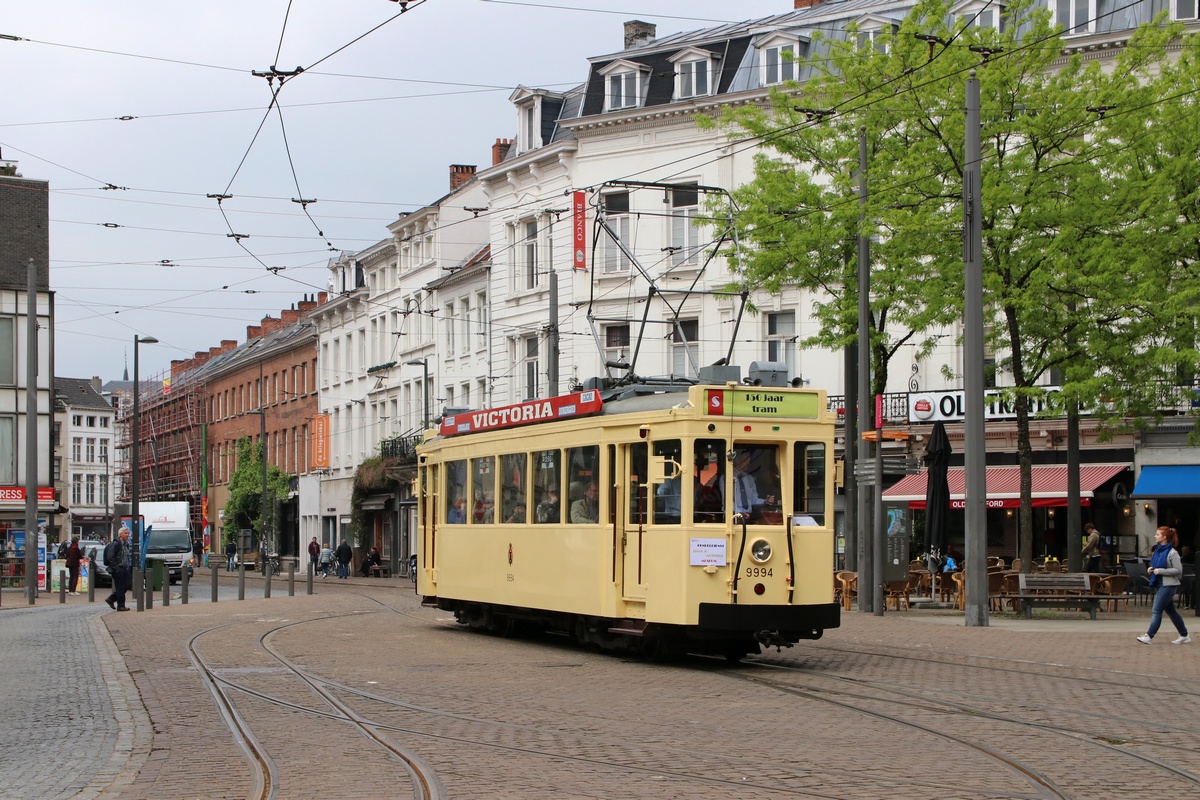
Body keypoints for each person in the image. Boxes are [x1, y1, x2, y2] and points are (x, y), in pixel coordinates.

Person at [1137, 526, 1190, 644]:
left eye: (1157, 534)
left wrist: (1161, 571)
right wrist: (1152, 568)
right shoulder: (1158, 550)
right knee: (1171, 611)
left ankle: (1149, 636)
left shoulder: (1173, 552)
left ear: (1164, 537)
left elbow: (1178, 570)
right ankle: (1184, 634)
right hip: (1159, 583)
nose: (1155, 536)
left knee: (1156, 610)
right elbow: (1157, 565)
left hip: (1169, 585)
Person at [103, 527, 131, 611]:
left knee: (125, 586)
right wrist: (115, 567)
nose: (127, 535)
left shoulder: (126, 544)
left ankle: (111, 599)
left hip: (125, 568)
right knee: (120, 587)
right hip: (118, 569)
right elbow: (110, 557)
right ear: (120, 534)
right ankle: (121, 605)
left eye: (128, 533)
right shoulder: (116, 544)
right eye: (125, 533)